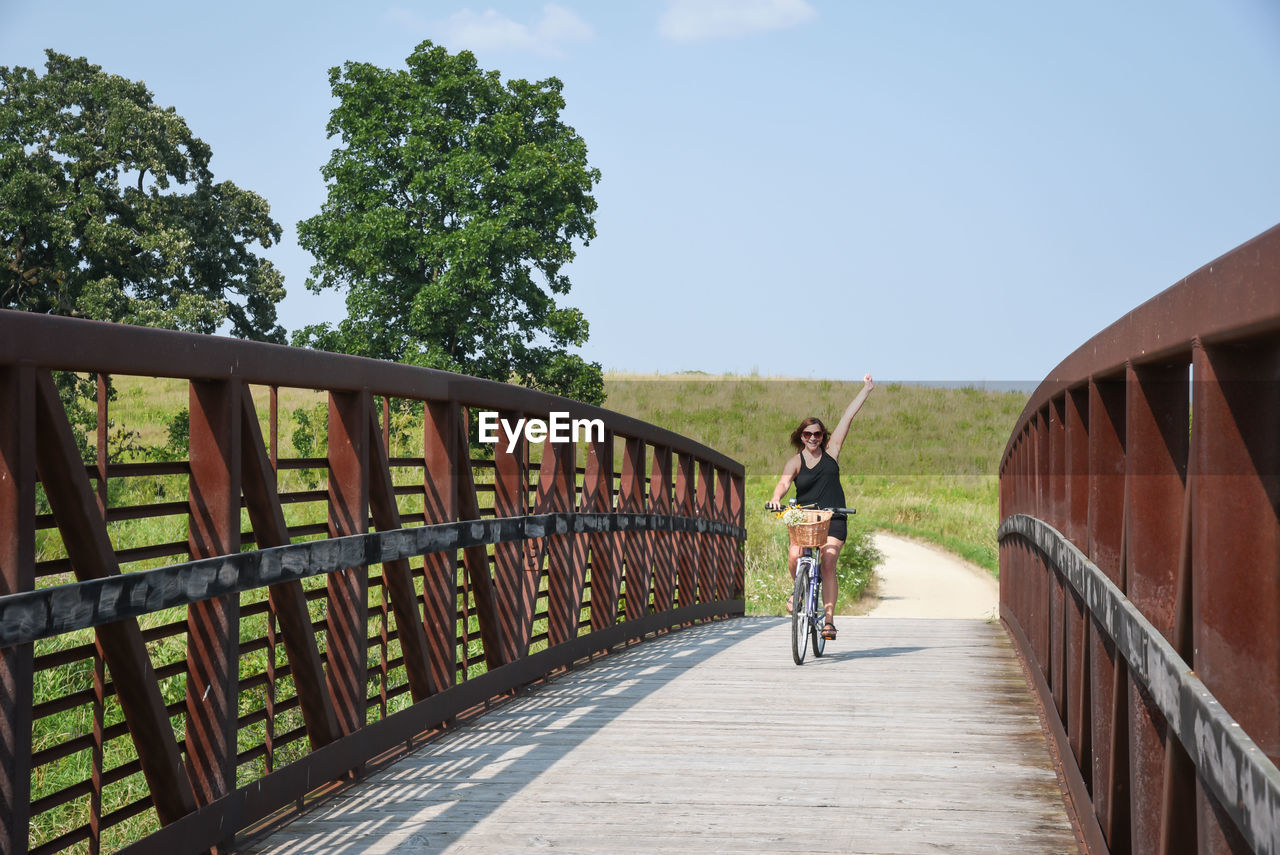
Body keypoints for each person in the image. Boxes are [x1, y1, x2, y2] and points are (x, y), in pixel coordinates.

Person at [766, 374, 875, 640]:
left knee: (828, 562)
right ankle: (798, 590)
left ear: (822, 436)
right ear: (801, 437)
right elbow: (782, 484)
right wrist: (776, 498)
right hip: (806, 518)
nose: (813, 438)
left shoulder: (832, 452)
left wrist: (866, 389)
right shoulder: (795, 462)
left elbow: (847, 417)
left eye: (817, 434)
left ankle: (828, 621)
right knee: (794, 556)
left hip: (834, 517)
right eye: (807, 434)